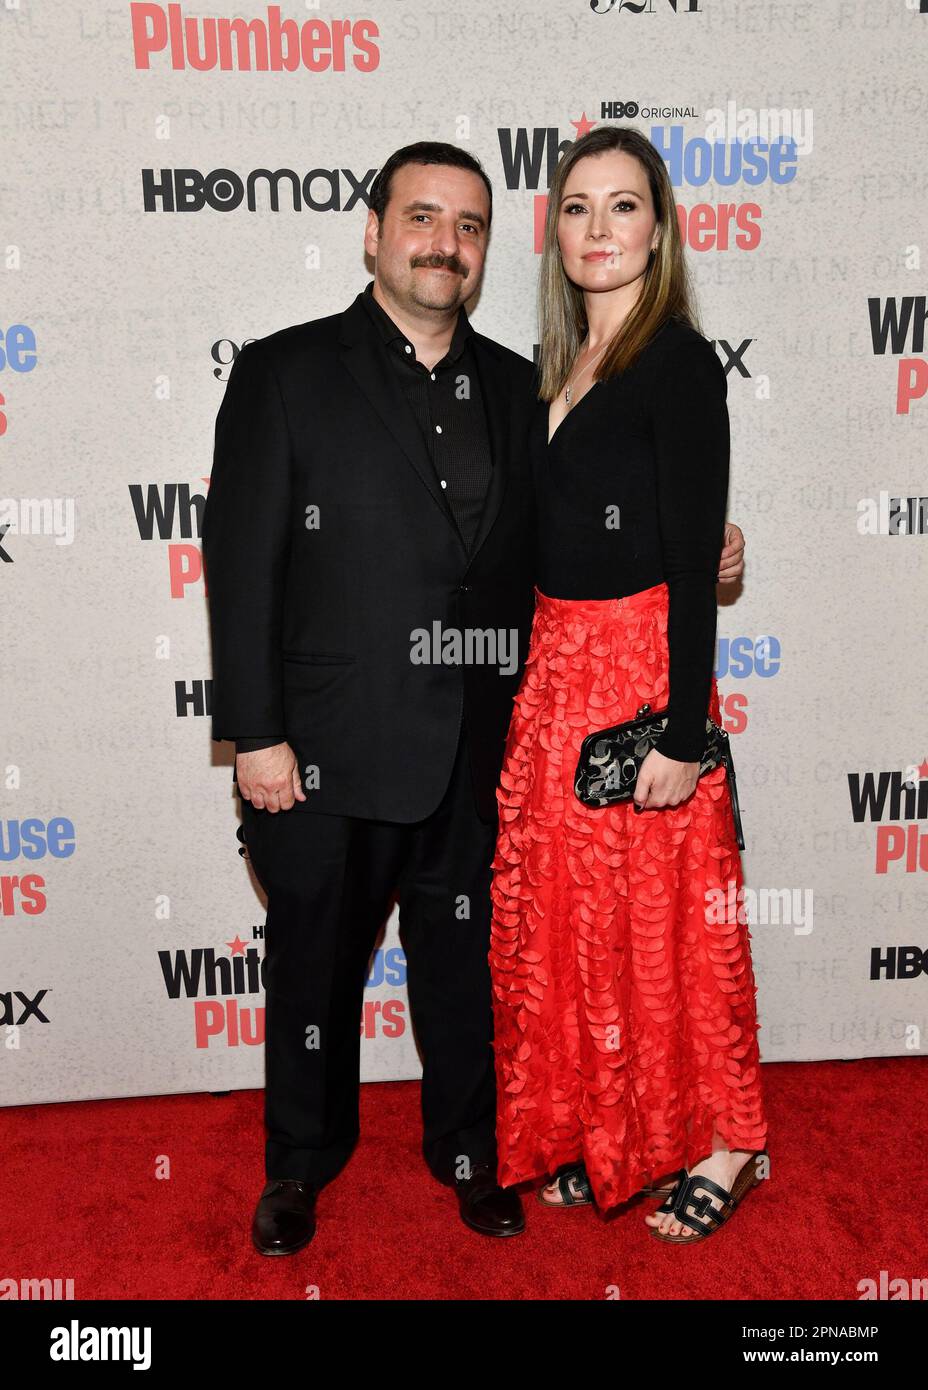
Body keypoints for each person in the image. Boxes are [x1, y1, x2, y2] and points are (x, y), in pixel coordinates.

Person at [202, 140, 747, 1256]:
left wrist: (711, 553)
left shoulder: (521, 381)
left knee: (465, 966)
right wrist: (256, 734)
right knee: (313, 962)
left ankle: (471, 1155)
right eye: (422, 219)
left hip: (486, 742)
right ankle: (299, 1167)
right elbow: (242, 560)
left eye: (469, 226)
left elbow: (605, 527)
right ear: (373, 232)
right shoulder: (283, 371)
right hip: (329, 747)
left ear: (491, 249)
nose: (444, 244)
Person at [488, 125, 769, 1244]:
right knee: (576, 921)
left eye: (622, 206)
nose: (597, 228)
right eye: (576, 207)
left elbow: (698, 567)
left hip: (643, 675)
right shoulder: (555, 371)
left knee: (669, 933)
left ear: (658, 229)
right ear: (553, 232)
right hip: (557, 672)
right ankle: (607, 1130)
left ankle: (727, 1141)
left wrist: (684, 735)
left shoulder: (678, 363)